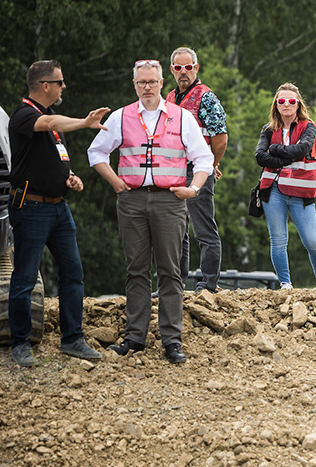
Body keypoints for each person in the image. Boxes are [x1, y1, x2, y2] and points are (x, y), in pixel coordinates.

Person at [88, 59, 214, 365]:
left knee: (170, 271)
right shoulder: (121, 117)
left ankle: (172, 340)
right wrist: (115, 181)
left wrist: (193, 189)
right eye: (142, 82)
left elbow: (204, 159)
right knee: (136, 269)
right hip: (131, 200)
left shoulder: (182, 117)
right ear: (134, 85)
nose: (147, 88)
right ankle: (135, 337)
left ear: (162, 83)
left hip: (170, 200)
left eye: (152, 82)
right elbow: (96, 151)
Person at [6, 60, 107, 367]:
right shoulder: (25, 114)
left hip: (58, 207)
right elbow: (49, 127)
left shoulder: (49, 117)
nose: (64, 87)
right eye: (60, 82)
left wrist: (69, 175)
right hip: (31, 206)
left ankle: (72, 339)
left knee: (73, 273)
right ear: (45, 85)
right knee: (24, 278)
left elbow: (51, 155)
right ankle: (20, 343)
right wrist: (85, 122)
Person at [256, 83, 316, 290]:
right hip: (274, 190)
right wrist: (281, 160)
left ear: (298, 104)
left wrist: (276, 149)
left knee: (312, 240)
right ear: (276, 105)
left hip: (302, 191)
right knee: (278, 240)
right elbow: (260, 156)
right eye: (281, 101)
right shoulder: (268, 130)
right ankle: (285, 284)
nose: (286, 104)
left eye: (291, 101)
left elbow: (303, 149)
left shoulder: (309, 126)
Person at [166, 47, 227, 293]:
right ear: (171, 70)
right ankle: (175, 284)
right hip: (173, 172)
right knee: (176, 231)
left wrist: (210, 166)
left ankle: (208, 284)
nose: (183, 72)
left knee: (204, 229)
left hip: (196, 171)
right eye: (178, 68)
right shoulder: (169, 97)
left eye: (188, 67)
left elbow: (220, 139)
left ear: (196, 68)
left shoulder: (206, 97)